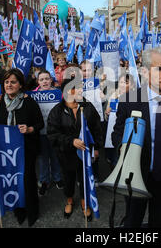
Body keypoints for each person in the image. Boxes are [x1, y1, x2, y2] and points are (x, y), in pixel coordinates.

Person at [111, 46, 161, 228]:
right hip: (137, 173)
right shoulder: (130, 99)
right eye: (160, 69)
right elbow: (117, 134)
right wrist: (124, 148)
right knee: (133, 221)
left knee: (159, 220)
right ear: (146, 72)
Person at [0, 69, 44, 226]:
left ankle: (32, 211)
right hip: (5, 151)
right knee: (12, 180)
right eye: (7, 82)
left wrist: (29, 129)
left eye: (13, 82)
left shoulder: (29, 102)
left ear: (20, 85)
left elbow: (40, 124)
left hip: (25, 150)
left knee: (28, 180)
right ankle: (19, 210)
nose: (9, 85)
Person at [47, 77, 103, 222]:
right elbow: (53, 134)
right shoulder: (57, 111)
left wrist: (96, 148)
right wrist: (71, 141)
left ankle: (85, 201)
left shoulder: (87, 106)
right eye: (73, 88)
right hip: (66, 154)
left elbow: (97, 129)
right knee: (69, 178)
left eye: (79, 88)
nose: (78, 91)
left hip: (85, 153)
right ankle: (69, 199)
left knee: (84, 177)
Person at [33, 69, 64, 196]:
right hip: (40, 132)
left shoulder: (58, 93)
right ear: (38, 82)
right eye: (42, 79)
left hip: (55, 132)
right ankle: (44, 180)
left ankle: (57, 177)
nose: (45, 81)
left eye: (47, 79)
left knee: (55, 155)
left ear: (51, 80)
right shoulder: (33, 95)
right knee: (43, 157)